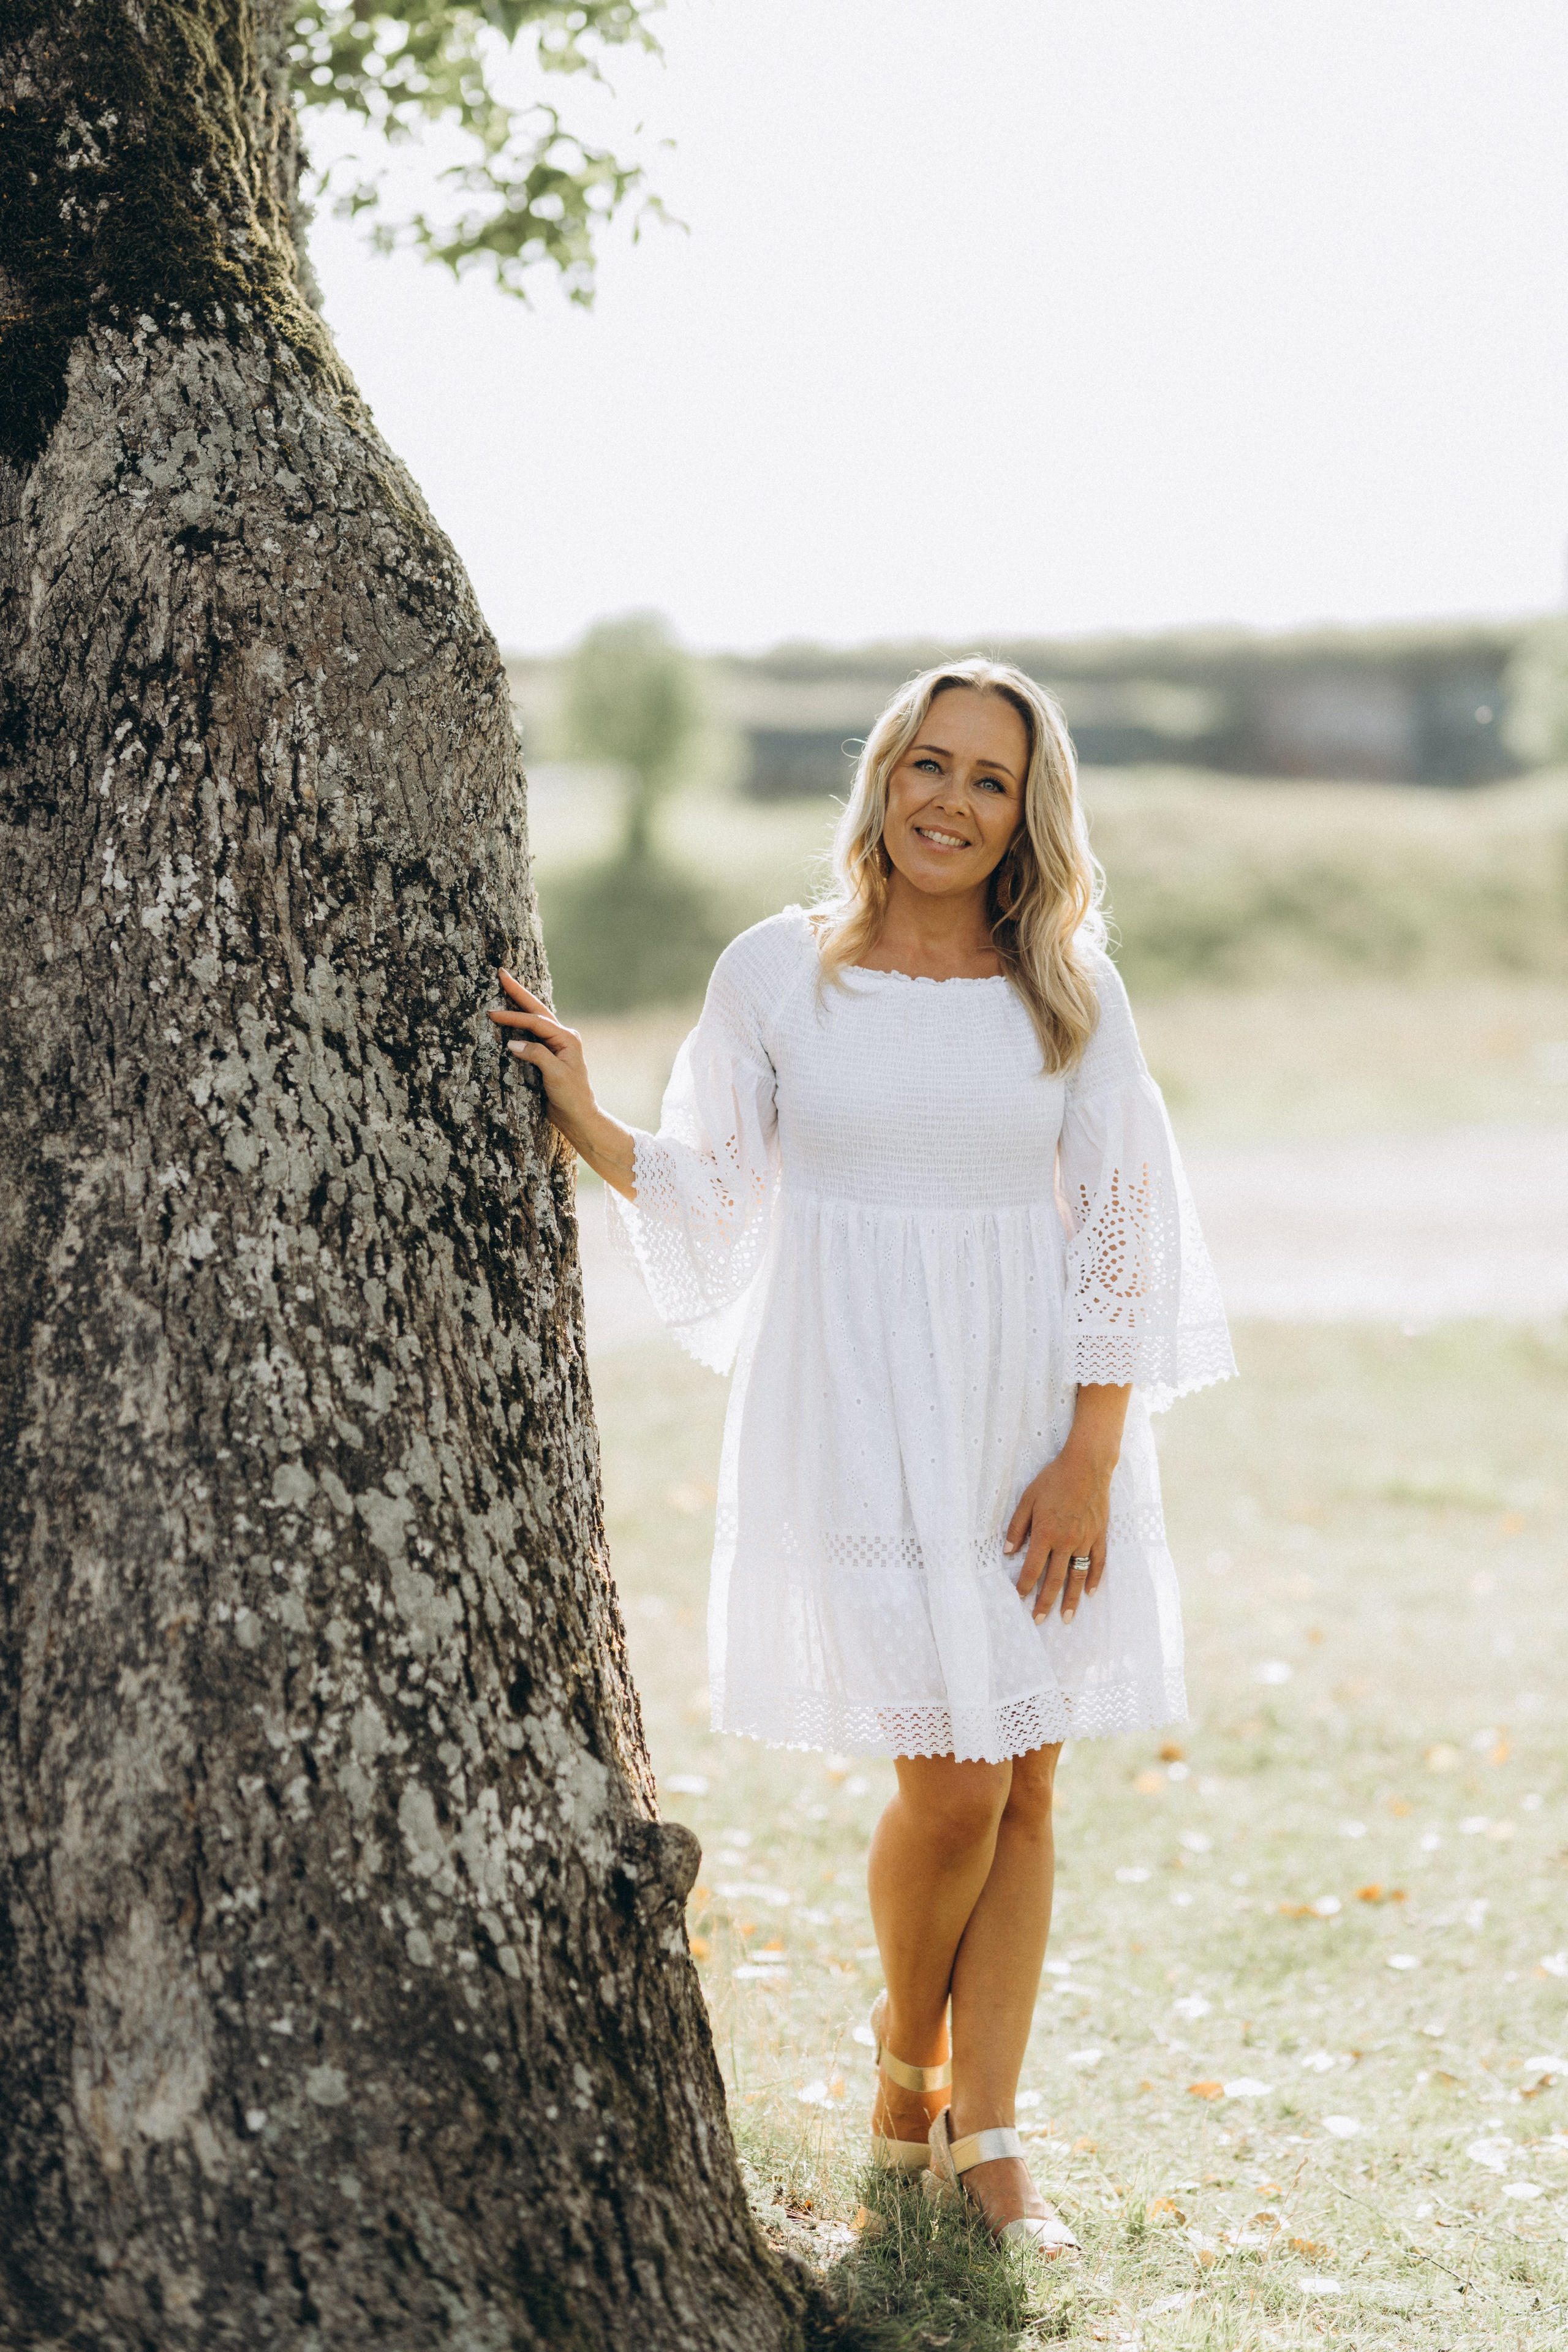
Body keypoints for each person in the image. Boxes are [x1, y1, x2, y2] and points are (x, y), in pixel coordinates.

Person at [489, 658, 1235, 2255]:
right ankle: (908, 2077)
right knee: (954, 1789)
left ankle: (991, 2135)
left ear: (1029, 816)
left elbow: (1123, 1228)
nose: (952, 804)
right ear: (883, 775)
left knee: (1030, 1785)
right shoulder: (777, 971)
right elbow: (717, 1184)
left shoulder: (1070, 985)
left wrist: (1093, 1456)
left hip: (1037, 1425)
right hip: (858, 1415)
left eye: (989, 781)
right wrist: (587, 1119)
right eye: (931, 765)